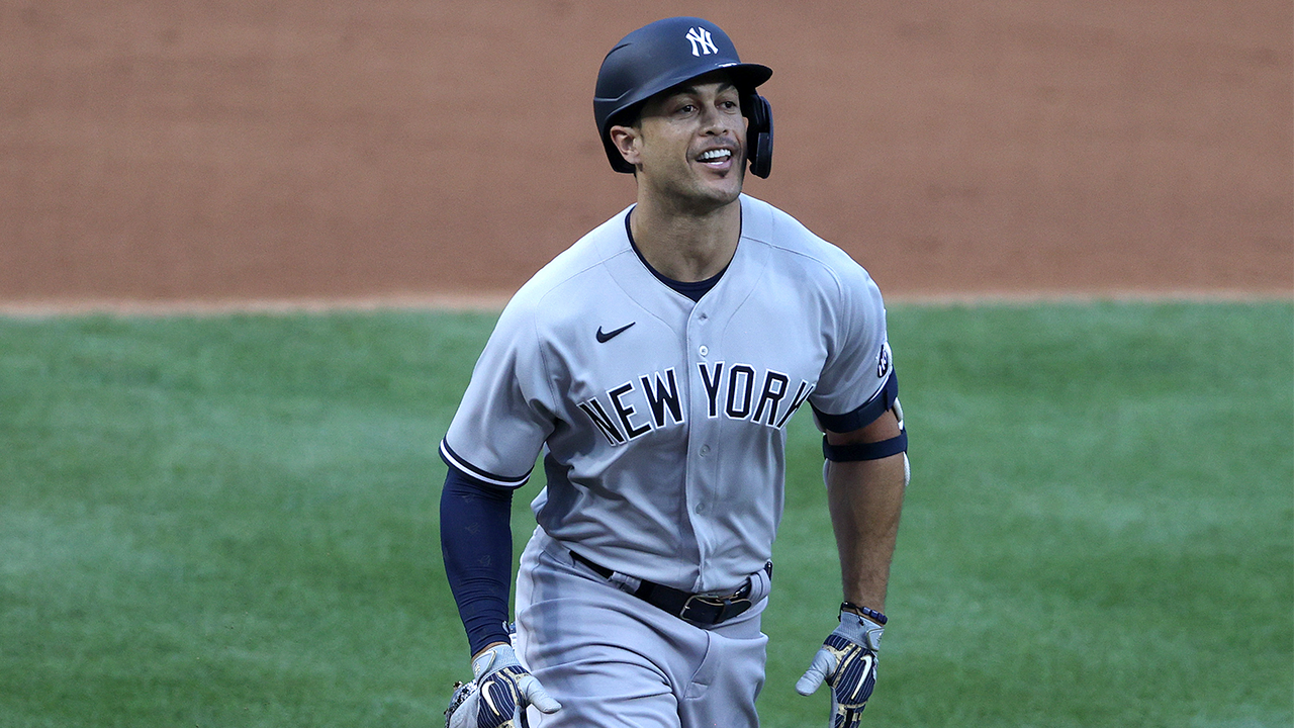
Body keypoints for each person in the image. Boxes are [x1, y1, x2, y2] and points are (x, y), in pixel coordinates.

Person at [439, 16, 909, 728]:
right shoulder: (556, 311)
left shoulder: (825, 284)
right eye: (684, 109)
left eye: (728, 103)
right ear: (626, 142)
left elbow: (868, 438)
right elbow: (477, 482)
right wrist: (490, 649)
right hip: (592, 613)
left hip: (739, 628)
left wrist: (864, 613)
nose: (717, 126)